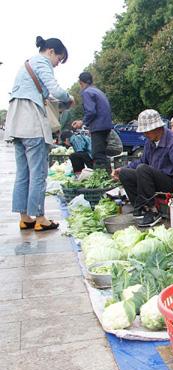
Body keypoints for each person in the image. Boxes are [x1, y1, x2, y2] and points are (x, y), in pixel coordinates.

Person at [5, 36, 73, 231]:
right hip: (32, 123)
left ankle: (25, 217)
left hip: (16, 124)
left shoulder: (27, 64)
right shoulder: (42, 62)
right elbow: (57, 91)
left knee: (23, 173)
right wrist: (70, 97)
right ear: (50, 51)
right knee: (38, 173)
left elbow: (42, 92)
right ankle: (40, 218)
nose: (57, 64)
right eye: (58, 60)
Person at [112, 109, 173, 227]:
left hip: (170, 181)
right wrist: (122, 169)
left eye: (147, 131)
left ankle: (152, 210)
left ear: (157, 128)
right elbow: (143, 160)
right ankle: (141, 208)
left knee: (143, 169)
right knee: (125, 173)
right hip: (152, 179)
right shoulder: (150, 141)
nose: (144, 134)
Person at [71, 72, 113, 170]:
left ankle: (102, 180)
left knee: (98, 155)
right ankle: (109, 177)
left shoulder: (87, 92)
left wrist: (82, 122)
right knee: (101, 153)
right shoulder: (98, 91)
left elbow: (91, 111)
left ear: (81, 83)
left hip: (98, 127)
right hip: (106, 126)